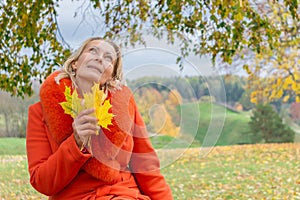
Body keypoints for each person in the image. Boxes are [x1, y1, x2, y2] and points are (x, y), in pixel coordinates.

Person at [26, 37, 173, 200]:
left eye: (108, 58)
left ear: (111, 76)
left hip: (123, 194)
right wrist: (75, 143)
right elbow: (42, 182)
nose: (99, 58)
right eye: (92, 51)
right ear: (75, 63)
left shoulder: (124, 106)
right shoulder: (42, 111)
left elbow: (146, 166)